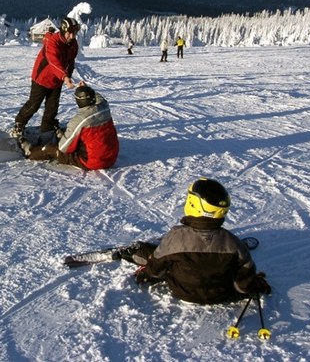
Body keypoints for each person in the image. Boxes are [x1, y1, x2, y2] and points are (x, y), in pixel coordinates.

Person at [117, 178, 271, 305]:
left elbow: (156, 270)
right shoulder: (234, 243)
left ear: (192, 204)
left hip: (182, 291)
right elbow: (243, 285)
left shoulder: (175, 238)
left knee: (157, 254)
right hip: (219, 295)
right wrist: (256, 286)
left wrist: (148, 274)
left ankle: (133, 252)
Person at [19, 85, 119, 170]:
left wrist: (61, 140)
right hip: (111, 157)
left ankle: (29, 151)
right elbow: (100, 98)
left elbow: (63, 149)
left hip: (93, 162)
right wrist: (86, 88)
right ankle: (63, 136)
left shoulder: (79, 120)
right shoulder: (104, 107)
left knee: (50, 149)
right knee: (77, 134)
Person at [12, 17, 80, 139]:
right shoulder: (53, 42)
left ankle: (47, 128)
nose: (72, 36)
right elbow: (54, 62)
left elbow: (70, 61)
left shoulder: (73, 44)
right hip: (42, 78)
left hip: (57, 80)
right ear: (64, 31)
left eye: (74, 33)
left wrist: (68, 76)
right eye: (70, 33)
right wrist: (65, 77)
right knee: (34, 104)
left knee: (52, 107)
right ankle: (19, 124)